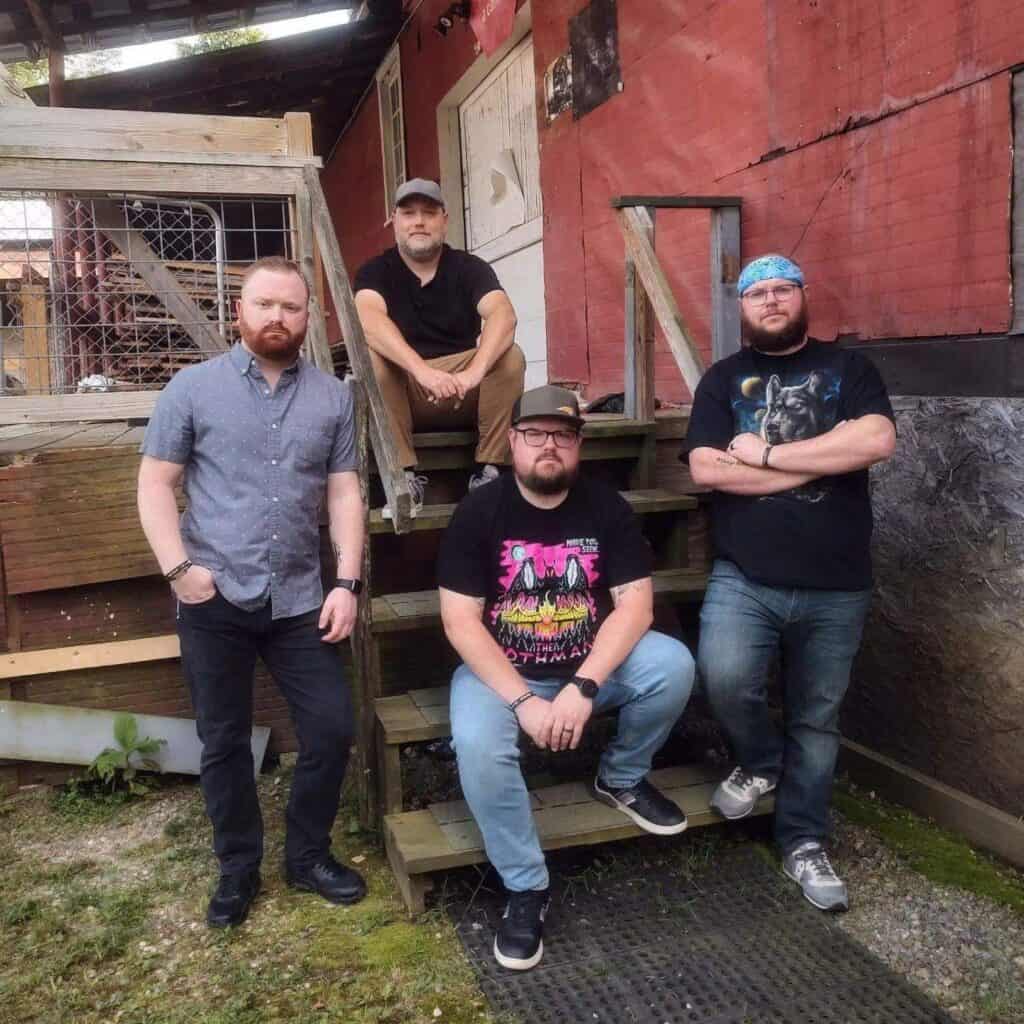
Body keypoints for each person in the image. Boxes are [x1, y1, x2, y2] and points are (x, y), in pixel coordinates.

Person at [137, 255, 367, 928]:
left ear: (308, 316)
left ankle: (307, 856)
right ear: (239, 311)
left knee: (332, 727)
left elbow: (344, 492)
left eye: (290, 306)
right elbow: (155, 483)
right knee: (223, 740)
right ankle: (238, 868)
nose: (277, 317)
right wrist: (180, 571)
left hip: (300, 597)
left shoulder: (333, 398)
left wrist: (347, 581)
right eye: (264, 304)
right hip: (213, 597)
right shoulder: (191, 389)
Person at [437, 384, 695, 970]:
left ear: (579, 444)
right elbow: (459, 621)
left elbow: (636, 608)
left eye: (563, 434)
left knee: (672, 665)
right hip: (502, 672)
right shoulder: (479, 512)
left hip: (586, 664)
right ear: (512, 442)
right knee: (477, 743)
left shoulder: (606, 507)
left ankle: (621, 777)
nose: (548, 445)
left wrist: (584, 686)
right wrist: (524, 701)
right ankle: (525, 884)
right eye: (535, 433)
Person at [682, 253, 896, 912]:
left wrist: (770, 455)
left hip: (838, 582)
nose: (771, 301)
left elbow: (876, 441)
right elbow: (706, 470)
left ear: (803, 297)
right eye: (758, 293)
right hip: (746, 575)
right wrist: (823, 459)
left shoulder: (850, 369)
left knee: (817, 718)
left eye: (782, 290)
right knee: (723, 678)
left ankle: (804, 840)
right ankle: (761, 762)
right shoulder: (723, 380)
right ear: (742, 308)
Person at [354, 177, 523, 514]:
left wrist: (473, 374)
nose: (419, 221)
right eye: (409, 213)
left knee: (511, 357)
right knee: (373, 359)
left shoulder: (469, 268)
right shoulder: (375, 271)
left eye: (429, 213)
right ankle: (403, 479)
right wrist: (422, 371)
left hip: (464, 392)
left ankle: (490, 473)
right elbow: (367, 320)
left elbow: (503, 315)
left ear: (444, 220)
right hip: (407, 392)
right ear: (394, 221)